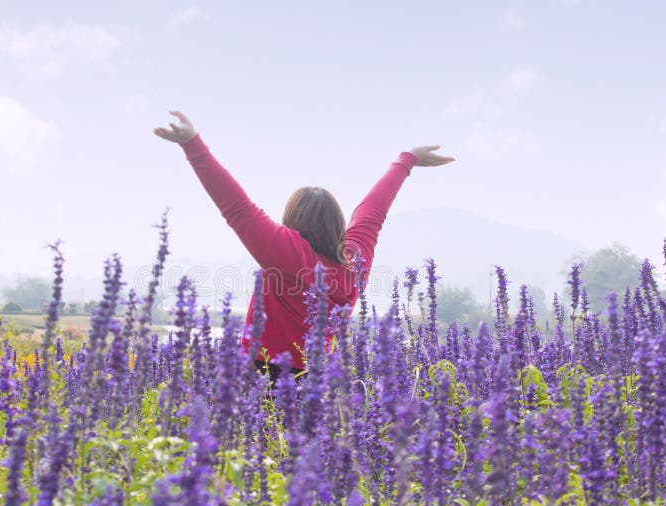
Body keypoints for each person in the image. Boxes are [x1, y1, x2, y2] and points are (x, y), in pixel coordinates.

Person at [154, 111, 454, 379]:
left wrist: (192, 144)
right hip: (316, 380)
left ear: (293, 220)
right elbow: (372, 213)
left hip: (259, 377)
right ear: (337, 223)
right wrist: (406, 160)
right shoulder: (354, 262)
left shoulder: (286, 252)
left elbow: (236, 206)